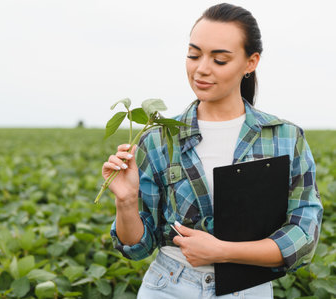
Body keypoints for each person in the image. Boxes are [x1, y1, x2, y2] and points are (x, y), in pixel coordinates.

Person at [102, 3, 323, 298]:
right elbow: (137, 247)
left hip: (248, 289)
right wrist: (126, 201)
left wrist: (221, 251)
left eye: (219, 60)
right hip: (168, 286)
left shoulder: (284, 137)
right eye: (194, 55)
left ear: (250, 62)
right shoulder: (158, 138)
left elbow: (303, 235)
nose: (201, 68)